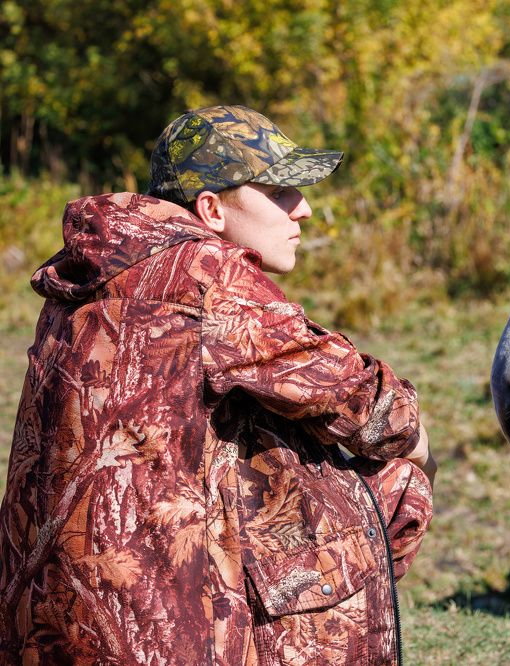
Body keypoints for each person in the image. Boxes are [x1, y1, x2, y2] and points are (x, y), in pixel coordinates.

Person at [0, 105, 434, 665]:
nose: (304, 208)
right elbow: (362, 402)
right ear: (211, 209)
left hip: (48, 619)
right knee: (402, 480)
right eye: (279, 192)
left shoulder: (92, 276)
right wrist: (418, 443)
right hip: (166, 626)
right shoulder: (206, 272)